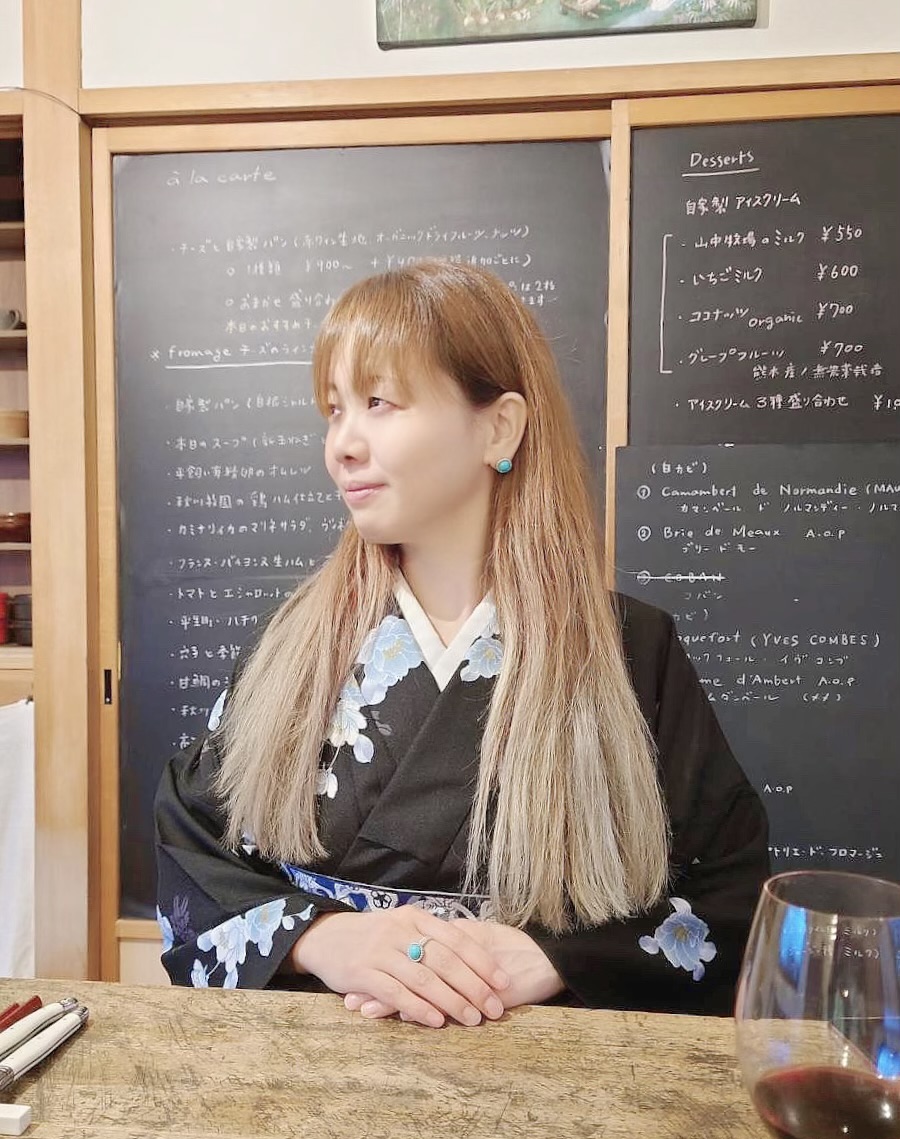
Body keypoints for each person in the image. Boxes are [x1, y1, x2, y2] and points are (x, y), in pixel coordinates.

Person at [155, 259, 769, 1024]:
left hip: (541, 1060)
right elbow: (193, 843)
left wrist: (559, 956)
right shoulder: (291, 647)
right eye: (334, 411)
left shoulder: (631, 652)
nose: (342, 444)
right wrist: (323, 938)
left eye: (378, 403)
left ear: (498, 427)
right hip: (320, 1048)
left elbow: (731, 891)